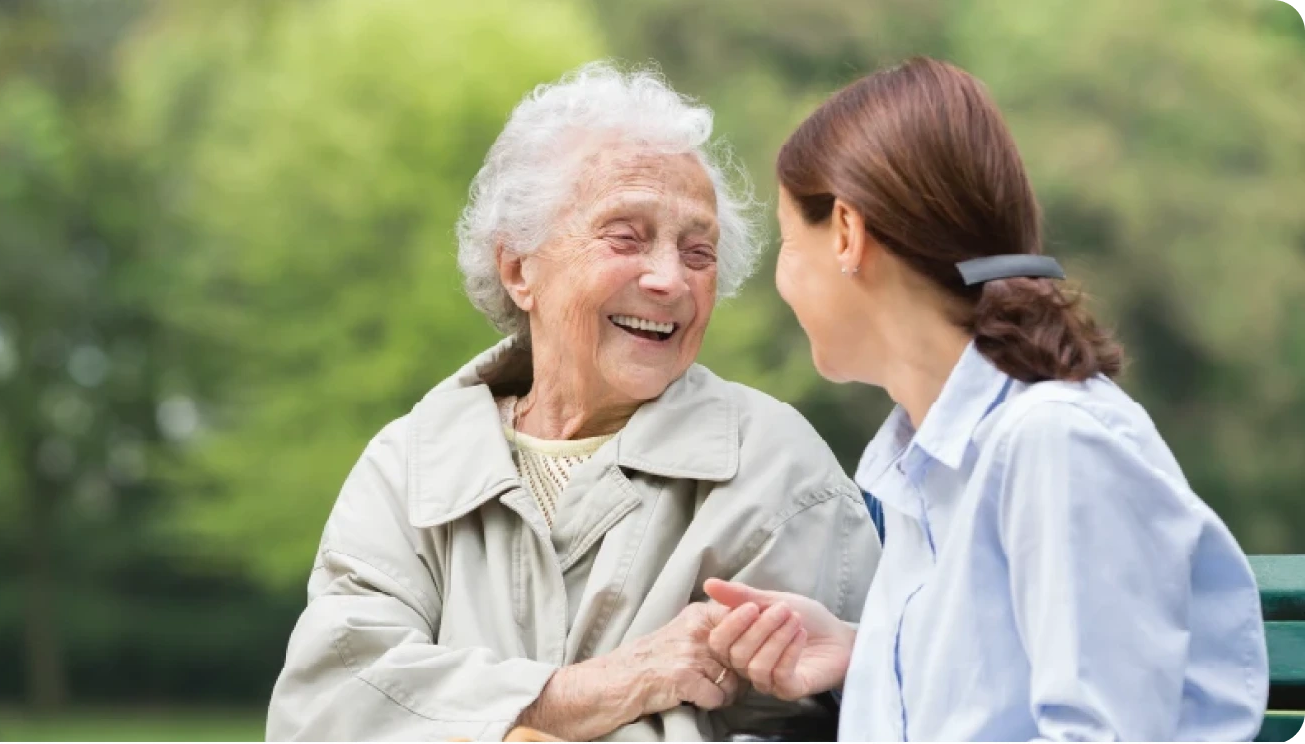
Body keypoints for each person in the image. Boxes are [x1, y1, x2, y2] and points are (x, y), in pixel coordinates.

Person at [265, 61, 882, 742]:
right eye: (626, 236)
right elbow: (327, 712)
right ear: (518, 267)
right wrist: (612, 686)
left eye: (699, 251)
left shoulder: (776, 469)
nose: (669, 278)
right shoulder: (407, 467)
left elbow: (834, 727)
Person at [701, 56, 1269, 741]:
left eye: (791, 245)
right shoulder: (930, 466)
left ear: (847, 233)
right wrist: (871, 655)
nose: (783, 283)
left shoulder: (1056, 444)